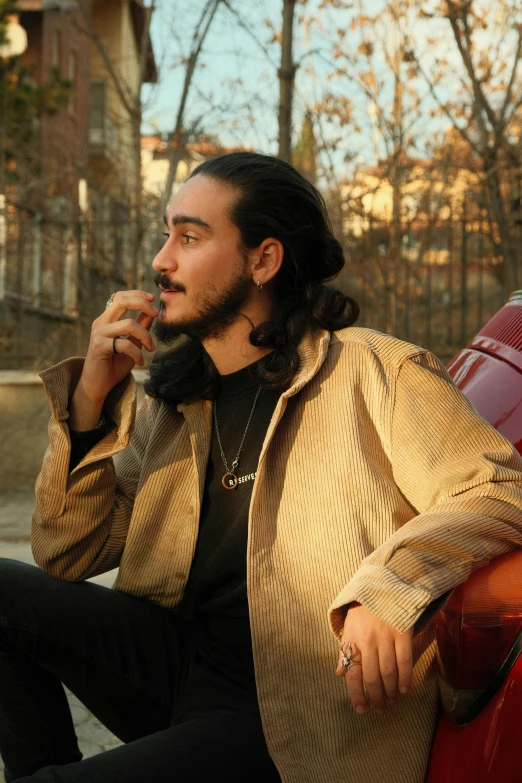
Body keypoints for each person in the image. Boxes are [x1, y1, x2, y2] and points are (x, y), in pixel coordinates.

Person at [2, 152, 522, 783]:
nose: (162, 260)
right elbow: (66, 554)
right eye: (167, 234)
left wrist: (389, 591)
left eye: (189, 237)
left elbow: (499, 487)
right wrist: (89, 400)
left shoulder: (373, 372)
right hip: (178, 673)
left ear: (263, 260)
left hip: (290, 722)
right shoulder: (178, 403)